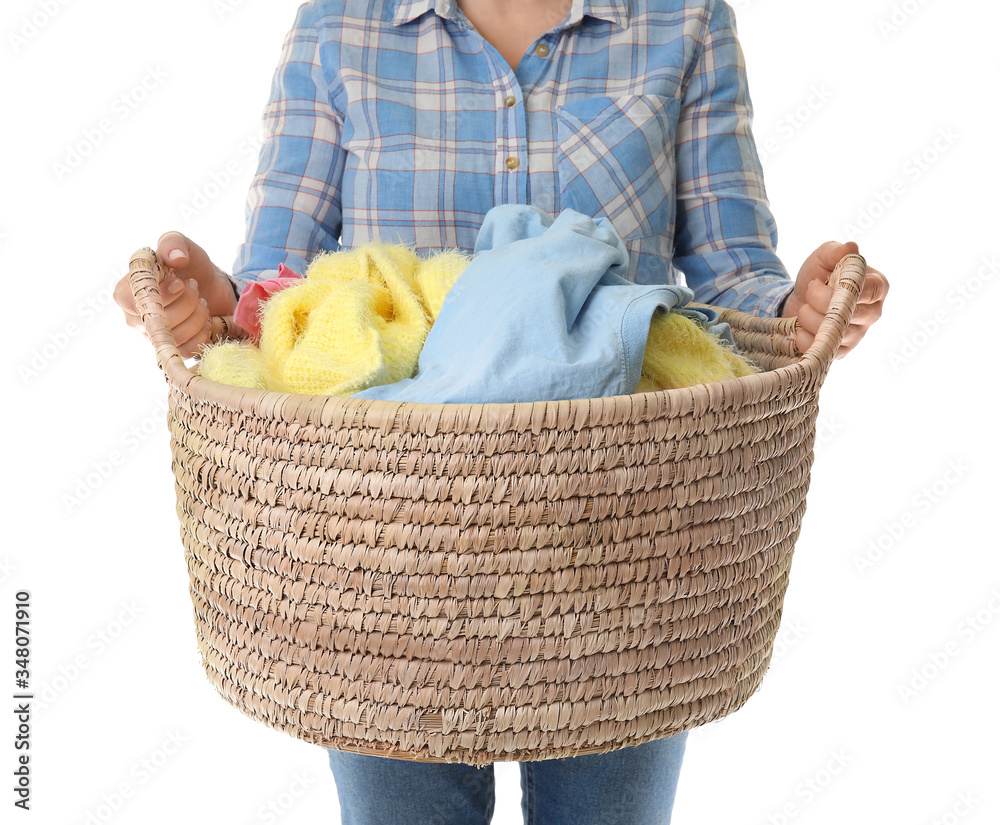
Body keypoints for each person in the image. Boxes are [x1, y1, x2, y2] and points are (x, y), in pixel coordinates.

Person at [114, 1, 889, 822]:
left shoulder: (684, 20)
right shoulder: (340, 25)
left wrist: (795, 309)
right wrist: (209, 301)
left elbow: (734, 279)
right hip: (387, 543)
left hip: (621, 531)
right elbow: (283, 296)